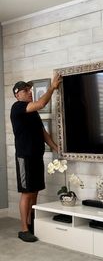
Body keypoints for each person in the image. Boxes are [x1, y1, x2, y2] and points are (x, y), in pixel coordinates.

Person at [10, 74, 61, 242]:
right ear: (18, 94)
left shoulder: (32, 113)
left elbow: (43, 133)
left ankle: (31, 223)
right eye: (26, 90)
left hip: (37, 156)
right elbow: (42, 103)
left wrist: (56, 148)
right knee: (27, 192)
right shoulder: (17, 107)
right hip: (24, 157)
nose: (29, 92)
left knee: (35, 191)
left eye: (30, 90)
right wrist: (52, 87)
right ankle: (24, 229)